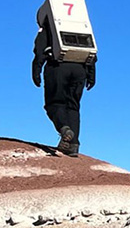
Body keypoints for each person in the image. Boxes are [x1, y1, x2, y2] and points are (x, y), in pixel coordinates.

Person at [32, 16, 96, 157]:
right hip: (80, 69)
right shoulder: (80, 25)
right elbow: (90, 50)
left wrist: (36, 69)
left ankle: (64, 128)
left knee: (54, 104)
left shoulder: (49, 25)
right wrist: (91, 74)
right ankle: (73, 145)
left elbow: (40, 49)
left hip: (57, 66)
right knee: (73, 107)